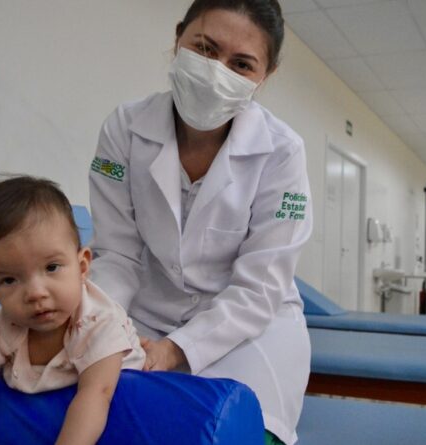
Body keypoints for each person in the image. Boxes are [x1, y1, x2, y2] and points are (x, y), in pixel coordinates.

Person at [88, 1, 311, 444]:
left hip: (249, 331)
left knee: (241, 428)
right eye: (206, 49)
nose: (217, 71)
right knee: (104, 413)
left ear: (266, 75)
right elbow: (117, 253)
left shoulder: (283, 152)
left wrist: (180, 349)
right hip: (144, 316)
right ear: (178, 39)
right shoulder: (124, 128)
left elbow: (259, 286)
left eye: (241, 64)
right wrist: (93, 324)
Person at [0, 175, 145, 445]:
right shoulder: (0, 330)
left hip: (118, 390)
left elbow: (96, 395)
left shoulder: (98, 322)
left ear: (83, 266)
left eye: (51, 267)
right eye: (9, 280)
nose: (35, 293)